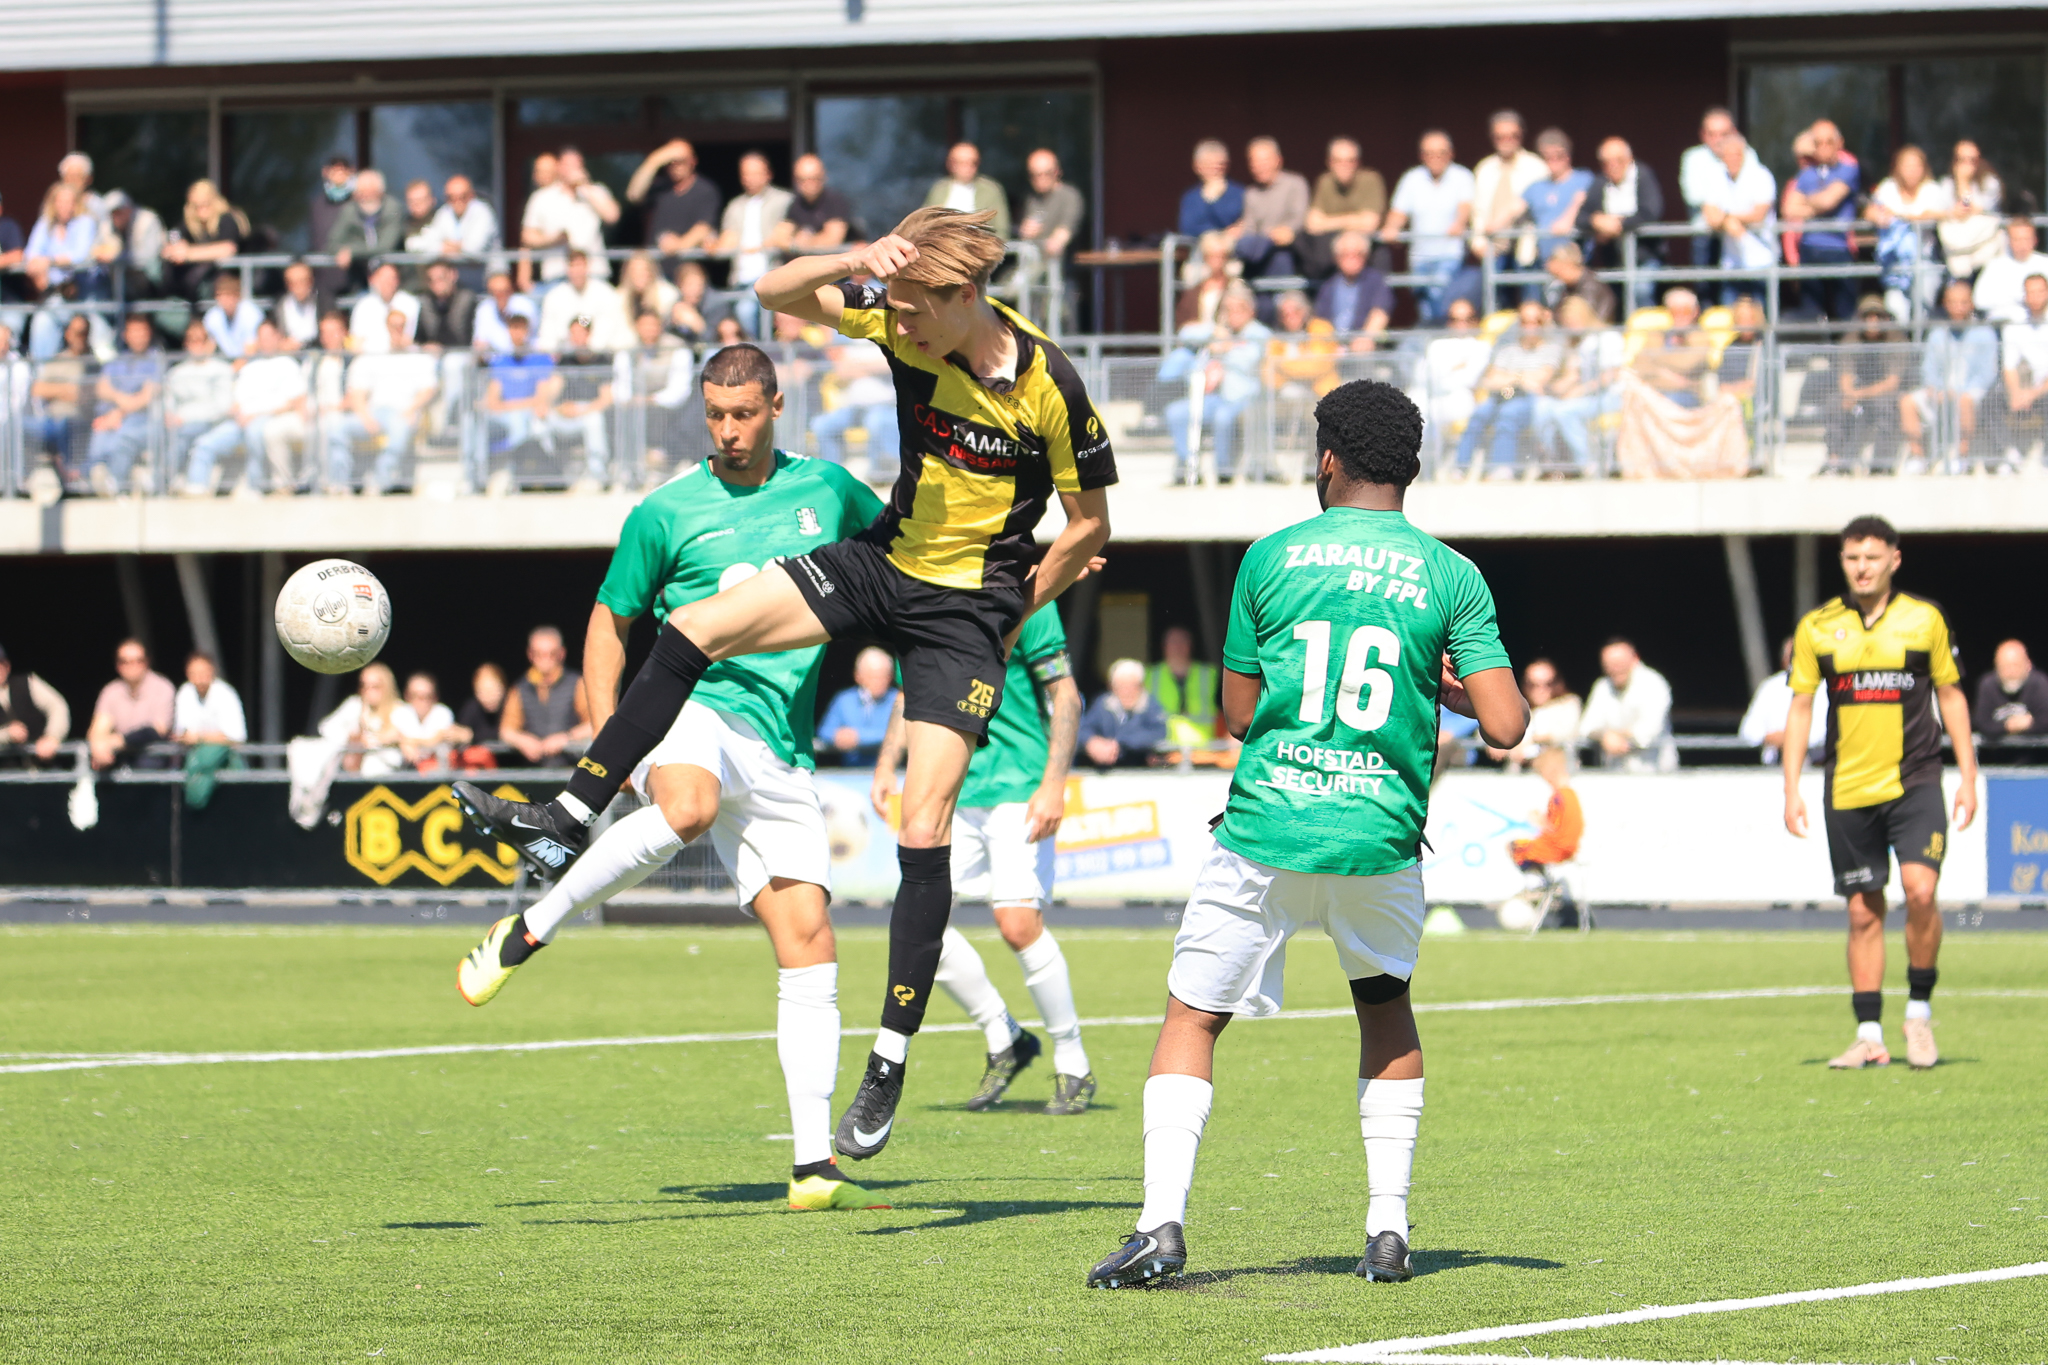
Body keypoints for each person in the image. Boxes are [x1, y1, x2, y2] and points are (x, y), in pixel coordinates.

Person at [452, 207, 1115, 1168]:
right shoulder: (898, 312)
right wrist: (860, 259)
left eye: (916, 311)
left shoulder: (1054, 385)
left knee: (920, 829)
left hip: (966, 612)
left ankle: (887, 1062)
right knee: (693, 628)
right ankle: (567, 811)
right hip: (887, 562)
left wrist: (1014, 613)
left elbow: (1091, 524)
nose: (899, 324)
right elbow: (773, 294)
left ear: (966, 297)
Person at [1085, 379, 1525, 1289]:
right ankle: (1389, 1232)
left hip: (1267, 829)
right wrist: (1440, 687)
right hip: (1380, 836)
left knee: (1193, 1017)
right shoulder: (1453, 574)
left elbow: (1238, 713)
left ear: (1326, 460)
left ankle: (1160, 1226)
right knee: (1384, 1010)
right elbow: (1508, 723)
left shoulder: (1272, 556)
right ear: (1411, 465)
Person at [454, 341, 890, 1214]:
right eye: (714, 416)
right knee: (685, 806)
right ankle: (530, 926)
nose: (727, 431)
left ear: (775, 404)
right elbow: (611, 621)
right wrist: (611, 737)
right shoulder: (664, 512)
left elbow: (900, 557)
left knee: (809, 943)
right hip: (690, 710)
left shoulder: (831, 491)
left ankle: (813, 1165)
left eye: (743, 414)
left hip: (780, 746)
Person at [871, 597, 1092, 1114]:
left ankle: (1073, 1060)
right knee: (921, 929)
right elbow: (912, 693)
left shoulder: (1028, 598)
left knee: (1017, 924)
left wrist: (1055, 783)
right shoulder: (924, 596)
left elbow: (1066, 696)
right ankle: (1003, 1034)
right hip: (947, 789)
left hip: (1018, 786)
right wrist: (887, 764)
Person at [1783, 516, 1974, 1071]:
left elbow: (1952, 696)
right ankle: (1869, 1034)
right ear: (1842, 562)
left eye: (1871, 557)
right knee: (1863, 914)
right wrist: (1791, 788)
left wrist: (1968, 774)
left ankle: (1918, 1013)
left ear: (1894, 558)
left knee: (1919, 890)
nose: (1861, 567)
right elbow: (1799, 710)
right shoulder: (1817, 627)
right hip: (1846, 789)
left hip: (1915, 781)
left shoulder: (1925, 620)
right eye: (1851, 558)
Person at [1160, 283, 1268, 485]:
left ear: (1250, 310)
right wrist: (1215, 331)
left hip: (1245, 399)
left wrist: (1224, 349)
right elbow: (1185, 334)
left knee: (1223, 417)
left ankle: (1224, 473)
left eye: (1239, 309)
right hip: (1216, 397)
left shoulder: (1258, 333)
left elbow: (1250, 360)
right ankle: (1188, 469)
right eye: (1228, 309)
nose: (1233, 314)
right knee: (1176, 412)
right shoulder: (1220, 331)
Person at [189, 318, 309, 496]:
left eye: (269, 336)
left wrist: (255, 415)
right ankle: (196, 488)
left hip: (267, 418)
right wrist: (237, 411)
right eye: (261, 337)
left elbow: (293, 402)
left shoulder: (288, 364)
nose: (266, 341)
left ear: (278, 337)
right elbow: (236, 395)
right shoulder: (249, 365)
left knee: (255, 434)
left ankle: (255, 486)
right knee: (205, 444)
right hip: (241, 420)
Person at [330, 308, 439, 495]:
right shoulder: (374, 355)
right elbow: (357, 391)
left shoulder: (418, 357)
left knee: (400, 429)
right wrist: (364, 416)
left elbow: (428, 390)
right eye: (393, 326)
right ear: (387, 327)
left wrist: (411, 410)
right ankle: (341, 484)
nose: (397, 330)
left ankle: (381, 483)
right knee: (336, 428)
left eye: (401, 326)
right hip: (375, 412)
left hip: (403, 412)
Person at [1454, 298, 1560, 479]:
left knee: (1508, 414)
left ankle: (1502, 467)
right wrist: (1520, 378)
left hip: (1532, 400)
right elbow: (1490, 380)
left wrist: (1510, 377)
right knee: (1479, 413)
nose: (1530, 326)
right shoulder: (1508, 348)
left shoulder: (1551, 348)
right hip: (1502, 396)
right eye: (1525, 321)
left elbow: (1540, 380)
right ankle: (1460, 467)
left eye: (1537, 321)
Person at [1902, 278, 1997, 470]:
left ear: (1971, 304)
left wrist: (1958, 391)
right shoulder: (1938, 333)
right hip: (1940, 391)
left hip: (1972, 392)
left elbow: (1987, 373)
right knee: (1907, 402)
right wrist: (1935, 388)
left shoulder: (1984, 333)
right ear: (1945, 304)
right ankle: (1918, 457)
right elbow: (1928, 368)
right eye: (1952, 302)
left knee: (1964, 400)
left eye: (1963, 302)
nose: (1958, 308)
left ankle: (1962, 456)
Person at [1382, 132, 1474, 324]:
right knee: (1424, 307)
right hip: (1419, 257)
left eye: (1441, 153)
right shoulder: (1412, 178)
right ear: (1422, 156)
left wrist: (1459, 223)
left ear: (1451, 154)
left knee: (1440, 301)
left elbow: (1465, 206)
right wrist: (1391, 228)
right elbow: (1398, 212)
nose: (1435, 158)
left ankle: (1437, 342)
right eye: (1429, 153)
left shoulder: (1461, 176)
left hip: (1449, 254)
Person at [1780, 120, 1861, 322]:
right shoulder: (1806, 174)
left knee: (1844, 314)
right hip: (1809, 249)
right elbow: (1789, 209)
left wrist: (1807, 201)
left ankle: (1844, 355)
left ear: (1839, 143)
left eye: (1828, 142)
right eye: (1818, 143)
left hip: (1839, 249)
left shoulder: (1849, 169)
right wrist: (1820, 202)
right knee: (1811, 315)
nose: (1823, 147)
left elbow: (1828, 201)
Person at [1533, 294, 1622, 472]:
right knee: (1543, 407)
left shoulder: (1608, 337)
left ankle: (1588, 463)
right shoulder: (1580, 342)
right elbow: (1573, 375)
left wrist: (1578, 392)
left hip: (1611, 397)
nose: (1570, 326)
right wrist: (1551, 390)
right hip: (1586, 397)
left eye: (1574, 321)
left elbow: (1609, 376)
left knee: (1565, 411)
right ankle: (1555, 464)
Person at [471, 313, 554, 491]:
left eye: (520, 329)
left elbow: (541, 398)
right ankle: (475, 478)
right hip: (505, 415)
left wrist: (509, 406)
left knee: (520, 422)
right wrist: (514, 406)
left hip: (528, 416)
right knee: (473, 422)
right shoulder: (501, 361)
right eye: (513, 328)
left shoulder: (539, 359)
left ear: (527, 331)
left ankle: (513, 477)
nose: (517, 334)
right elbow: (492, 399)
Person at [84, 313, 163, 497]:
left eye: (142, 331)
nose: (138, 336)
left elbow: (147, 396)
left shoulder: (156, 360)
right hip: (112, 417)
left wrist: (119, 411)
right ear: (125, 335)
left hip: (140, 418)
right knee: (99, 441)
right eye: (133, 331)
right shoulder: (118, 359)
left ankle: (115, 484)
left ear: (149, 333)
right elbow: (102, 388)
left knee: (121, 439)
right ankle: (92, 482)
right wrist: (118, 405)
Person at [1469, 111, 1547, 292]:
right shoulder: (1484, 169)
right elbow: (1478, 211)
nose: (1507, 141)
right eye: (1500, 137)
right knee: (1496, 305)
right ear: (1493, 138)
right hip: (1493, 248)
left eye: (1513, 136)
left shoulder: (1536, 167)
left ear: (1521, 136)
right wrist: (1477, 243)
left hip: (1526, 245)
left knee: (1531, 302)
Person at [1698, 131, 1777, 303]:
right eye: (1727, 155)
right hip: (1731, 263)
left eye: (1736, 154)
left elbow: (1758, 214)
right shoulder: (1716, 176)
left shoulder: (1761, 175)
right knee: (1731, 323)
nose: (1732, 159)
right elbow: (1709, 214)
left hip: (1760, 261)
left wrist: (1727, 218)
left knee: (1760, 321)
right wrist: (1728, 221)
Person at [716, 151, 794, 324]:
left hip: (773, 273)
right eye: (746, 174)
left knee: (750, 311)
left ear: (768, 174)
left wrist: (765, 245)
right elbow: (728, 240)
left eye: (755, 173)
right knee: (739, 310)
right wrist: (713, 245)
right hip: (741, 278)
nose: (750, 178)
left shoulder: (785, 201)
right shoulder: (734, 206)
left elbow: (787, 233)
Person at [520, 147, 619, 283]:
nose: (572, 170)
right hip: (557, 272)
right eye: (568, 165)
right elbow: (527, 236)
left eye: (576, 165)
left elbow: (612, 216)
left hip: (594, 271)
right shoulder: (542, 197)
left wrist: (585, 187)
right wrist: (553, 239)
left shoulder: (596, 191)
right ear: (559, 168)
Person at [1578, 638, 1675, 772]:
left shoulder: (1654, 684)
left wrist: (1614, 736)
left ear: (1635, 658)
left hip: (1654, 773)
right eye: (1608, 664)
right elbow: (1586, 727)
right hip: (1613, 773)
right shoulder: (1602, 687)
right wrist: (1604, 736)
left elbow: (1649, 730)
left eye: (1619, 663)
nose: (1615, 669)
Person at [499, 625, 593, 764]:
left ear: (562, 653)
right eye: (539, 654)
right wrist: (523, 740)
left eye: (552, 654)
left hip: (570, 768)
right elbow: (506, 730)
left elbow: (594, 724)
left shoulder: (577, 684)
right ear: (530, 654)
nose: (545, 659)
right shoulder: (520, 688)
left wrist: (566, 738)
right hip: (533, 772)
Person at [810, 331, 898, 479]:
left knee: (876, 422)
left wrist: (859, 367)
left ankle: (880, 475)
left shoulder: (889, 340)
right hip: (854, 407)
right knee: (822, 424)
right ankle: (833, 473)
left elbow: (892, 364)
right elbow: (841, 370)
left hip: (885, 405)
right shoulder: (850, 340)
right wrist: (872, 367)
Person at [165, 321, 236, 493]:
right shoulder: (176, 372)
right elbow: (168, 401)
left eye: (201, 340)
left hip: (212, 423)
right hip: (181, 425)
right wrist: (169, 414)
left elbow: (223, 407)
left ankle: (175, 482)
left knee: (188, 438)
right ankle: (163, 482)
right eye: (191, 340)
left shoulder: (221, 370)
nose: (196, 345)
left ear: (210, 343)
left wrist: (186, 418)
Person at [87, 639, 177, 771]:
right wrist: (98, 748)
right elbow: (98, 729)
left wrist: (118, 741)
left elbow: (159, 729)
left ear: (146, 662)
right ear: (118, 665)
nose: (132, 666)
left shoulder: (163, 687)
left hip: (154, 760)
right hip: (120, 759)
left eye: (138, 660)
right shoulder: (110, 691)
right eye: (125, 661)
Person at [1303, 137, 1387, 277]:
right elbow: (1312, 224)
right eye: (1338, 161)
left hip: (1367, 250)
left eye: (1350, 160)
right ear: (1330, 163)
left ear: (1358, 163)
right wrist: (1353, 220)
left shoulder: (1371, 180)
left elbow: (1370, 223)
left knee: (1381, 258)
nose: (1344, 165)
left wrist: (1329, 222)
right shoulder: (1325, 181)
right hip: (1332, 253)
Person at [1739, 636, 1828, 765]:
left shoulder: (1824, 687)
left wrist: (1790, 738)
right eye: (1791, 655)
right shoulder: (1770, 686)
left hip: (1814, 769)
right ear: (1784, 659)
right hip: (1773, 770)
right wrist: (1768, 737)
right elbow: (1747, 730)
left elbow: (1825, 732)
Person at [1990, 271, 2048, 468]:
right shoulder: (2015, 322)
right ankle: (2007, 454)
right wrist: (2015, 393)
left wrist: (2033, 393)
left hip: (2042, 388)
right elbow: (2009, 365)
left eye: (2040, 291)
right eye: (2030, 292)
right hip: (2023, 384)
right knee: (1992, 398)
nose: (2035, 297)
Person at [1410, 297, 1489, 440]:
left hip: (1459, 400)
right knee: (1415, 408)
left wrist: (1442, 374)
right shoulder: (1436, 345)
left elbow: (1468, 380)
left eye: (1467, 319)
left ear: (1475, 320)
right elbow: (1420, 376)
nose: (1461, 325)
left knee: (1429, 415)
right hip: (1431, 396)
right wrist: (1453, 370)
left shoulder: (1481, 348)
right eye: (1455, 319)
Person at [1588, 137, 1665, 281]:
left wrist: (1618, 224)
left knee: (1641, 293)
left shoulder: (1643, 176)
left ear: (1629, 158)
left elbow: (1651, 212)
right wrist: (1596, 221)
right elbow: (1582, 216)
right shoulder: (1600, 181)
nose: (1613, 165)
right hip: (1612, 260)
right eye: (1607, 162)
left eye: (1618, 160)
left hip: (1645, 256)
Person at [1233, 137, 1310, 282]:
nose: (1259, 166)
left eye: (1264, 161)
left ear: (1278, 160)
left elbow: (1299, 218)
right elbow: (1250, 228)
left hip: (1287, 249)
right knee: (1242, 245)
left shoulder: (1295, 184)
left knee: (1279, 257)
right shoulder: (1251, 194)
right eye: (1254, 161)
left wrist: (1279, 234)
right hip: (1259, 249)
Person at [628, 139, 721, 256]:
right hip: (655, 266)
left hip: (686, 266)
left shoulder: (705, 191)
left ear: (693, 161)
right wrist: (655, 159)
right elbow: (633, 195)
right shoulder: (659, 188)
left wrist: (679, 245)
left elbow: (704, 227)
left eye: (681, 161)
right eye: (671, 161)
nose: (675, 165)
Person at [1485, 658, 1580, 767]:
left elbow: (1564, 733)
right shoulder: (1515, 706)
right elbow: (1488, 728)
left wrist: (1525, 743)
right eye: (1533, 684)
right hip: (1516, 776)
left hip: (1558, 773)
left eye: (1548, 683)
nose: (1540, 689)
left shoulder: (1569, 704)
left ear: (1558, 683)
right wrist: (1495, 741)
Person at [816, 647, 899, 767]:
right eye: (873, 676)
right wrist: (837, 736)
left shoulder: (898, 700)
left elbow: (902, 735)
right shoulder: (844, 699)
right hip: (850, 774)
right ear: (858, 676)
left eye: (884, 676)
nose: (879, 681)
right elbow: (824, 731)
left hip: (891, 773)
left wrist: (859, 737)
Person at [1077, 658, 1168, 767]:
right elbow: (1084, 728)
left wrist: (1119, 743)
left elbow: (1159, 732)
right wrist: (1091, 742)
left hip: (1141, 770)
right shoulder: (1103, 704)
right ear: (1112, 687)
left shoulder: (1151, 705)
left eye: (1132, 685)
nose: (1127, 691)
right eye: (1121, 686)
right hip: (1105, 772)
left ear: (1141, 686)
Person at [1524, 129, 1594, 266]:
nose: (1553, 161)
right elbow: (1515, 207)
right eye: (1547, 156)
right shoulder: (1535, 187)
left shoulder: (1584, 179)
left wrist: (1569, 216)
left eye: (1559, 155)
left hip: (1575, 261)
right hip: (1543, 261)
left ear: (1568, 156)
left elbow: (1584, 202)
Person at [1509, 744, 1582, 875]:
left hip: (1557, 848)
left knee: (1516, 847)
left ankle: (1536, 884)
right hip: (1569, 847)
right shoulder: (1571, 795)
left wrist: (1539, 821)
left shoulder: (1559, 797)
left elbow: (1554, 829)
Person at [537, 250, 630, 352]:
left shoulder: (606, 294)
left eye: (580, 265)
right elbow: (547, 336)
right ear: (567, 269)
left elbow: (609, 330)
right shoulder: (553, 297)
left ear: (588, 267)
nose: (577, 271)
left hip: (601, 357)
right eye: (573, 266)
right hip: (565, 358)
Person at [322, 663, 406, 775]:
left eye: (375, 686)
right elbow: (326, 728)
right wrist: (351, 738)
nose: (368, 691)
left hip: (391, 775)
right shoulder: (355, 705)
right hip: (357, 777)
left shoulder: (400, 710)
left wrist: (397, 738)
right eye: (364, 686)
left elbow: (415, 739)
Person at [324, 169, 401, 289]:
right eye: (361, 192)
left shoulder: (392, 208)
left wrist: (352, 250)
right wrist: (341, 251)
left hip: (392, 278)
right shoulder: (349, 211)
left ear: (380, 192)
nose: (365, 196)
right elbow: (332, 242)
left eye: (370, 191)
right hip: (358, 278)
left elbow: (385, 246)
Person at [1938, 141, 2004, 282]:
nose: (1967, 164)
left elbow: (1969, 207)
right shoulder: (1946, 184)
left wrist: (1962, 181)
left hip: (1985, 247)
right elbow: (1945, 212)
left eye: (1972, 160)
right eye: (1962, 160)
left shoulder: (1990, 183)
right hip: (1958, 249)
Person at [1313, 231, 1393, 347]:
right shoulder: (1328, 285)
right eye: (1346, 254)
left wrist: (1366, 337)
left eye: (1358, 254)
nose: (1352, 258)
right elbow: (1321, 319)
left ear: (1366, 256)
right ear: (1336, 257)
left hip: (1362, 349)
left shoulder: (1375, 280)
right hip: (1333, 347)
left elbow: (1380, 312)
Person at [0, 643, 70, 766]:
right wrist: (6, 735)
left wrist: (52, 737)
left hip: (42, 770)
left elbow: (57, 706)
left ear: (7, 666)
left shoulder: (27, 682)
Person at [1146, 626, 1218, 745]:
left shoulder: (1209, 674)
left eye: (1182, 642)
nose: (1178, 646)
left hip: (1203, 747)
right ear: (1164, 646)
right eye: (1173, 642)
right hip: (1162, 747)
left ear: (1191, 646)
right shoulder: (1150, 676)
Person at [924, 143, 1011, 241]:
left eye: (973, 162)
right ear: (950, 164)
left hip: (979, 248)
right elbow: (924, 222)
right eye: (961, 162)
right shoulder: (939, 189)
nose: (967, 167)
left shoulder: (991, 190)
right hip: (942, 247)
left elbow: (1002, 230)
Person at [1970, 217, 2048, 325]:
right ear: (2008, 240)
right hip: (2003, 325)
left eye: (2026, 239)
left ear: (2035, 240)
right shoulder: (1995, 266)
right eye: (2017, 239)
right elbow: (1979, 300)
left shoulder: (2045, 263)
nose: (2022, 244)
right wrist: (2017, 300)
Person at [1973, 638, 2048, 742]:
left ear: (2028, 665)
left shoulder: (2039, 683)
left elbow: (2045, 721)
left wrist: (2030, 724)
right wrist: (2008, 726)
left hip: (2035, 755)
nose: (2011, 672)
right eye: (2005, 667)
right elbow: (1981, 723)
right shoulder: (1987, 685)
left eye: (2016, 666)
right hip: (1997, 756)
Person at [172, 651, 247, 748]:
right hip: (193, 755)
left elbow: (237, 737)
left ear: (212, 671)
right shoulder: (185, 692)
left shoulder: (226, 694)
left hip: (223, 756)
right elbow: (181, 734)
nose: (199, 679)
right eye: (194, 674)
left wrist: (200, 738)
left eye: (203, 673)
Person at [787, 154, 859, 250]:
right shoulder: (796, 203)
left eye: (814, 179)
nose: (809, 184)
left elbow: (833, 240)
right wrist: (794, 241)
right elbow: (780, 236)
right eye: (802, 180)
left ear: (823, 177)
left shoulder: (835, 201)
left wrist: (805, 242)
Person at [347, 260, 420, 353]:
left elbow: (411, 338)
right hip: (371, 357)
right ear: (373, 280)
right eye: (383, 278)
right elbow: (356, 341)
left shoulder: (411, 303)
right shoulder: (363, 306)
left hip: (404, 355)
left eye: (391, 278)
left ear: (397, 280)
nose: (388, 283)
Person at [1178, 140, 1245, 240]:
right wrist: (1220, 233)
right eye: (1209, 165)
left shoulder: (1240, 193)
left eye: (1219, 165)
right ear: (1197, 167)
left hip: (1232, 248)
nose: (1215, 170)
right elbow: (1187, 228)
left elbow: (1245, 224)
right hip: (1200, 249)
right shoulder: (1190, 197)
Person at [391, 673, 460, 768]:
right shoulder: (401, 712)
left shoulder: (443, 712)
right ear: (407, 696)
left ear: (435, 697)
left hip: (438, 769)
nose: (421, 701)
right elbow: (392, 735)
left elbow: (434, 740)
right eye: (415, 695)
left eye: (427, 696)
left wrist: (405, 742)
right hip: (407, 769)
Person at [1540, 241, 1615, 324]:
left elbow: (1582, 318)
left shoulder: (1591, 287)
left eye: (1558, 273)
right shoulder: (1568, 288)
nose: (1557, 279)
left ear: (1569, 264)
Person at [472, 269, 537, 355]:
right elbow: (480, 341)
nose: (500, 295)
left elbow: (532, 338)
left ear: (511, 290)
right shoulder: (484, 309)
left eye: (504, 291)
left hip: (525, 356)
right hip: (494, 361)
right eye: (495, 292)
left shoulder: (526, 306)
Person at [273, 259, 322, 350]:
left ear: (311, 281)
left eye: (302, 281)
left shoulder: (323, 302)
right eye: (293, 283)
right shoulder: (281, 305)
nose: (299, 287)